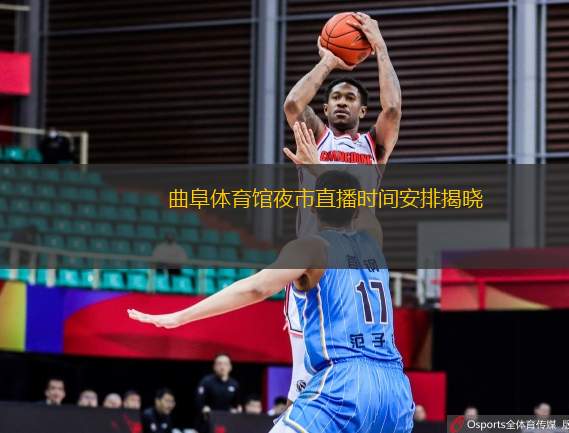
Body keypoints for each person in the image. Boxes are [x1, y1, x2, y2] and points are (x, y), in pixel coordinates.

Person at [128, 168, 414, 432]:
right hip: (396, 390)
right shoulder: (374, 242)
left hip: (346, 382)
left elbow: (256, 288)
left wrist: (179, 316)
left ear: (313, 207)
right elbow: (365, 212)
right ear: (356, 209)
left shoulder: (312, 248)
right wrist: (320, 170)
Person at [282, 11, 401, 405]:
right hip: (313, 265)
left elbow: (393, 110)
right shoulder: (315, 138)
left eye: (350, 98)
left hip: (356, 271)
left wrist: (380, 46)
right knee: (303, 385)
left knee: (351, 380)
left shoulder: (373, 146)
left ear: (362, 111)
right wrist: (328, 62)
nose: (341, 103)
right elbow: (293, 105)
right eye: (335, 97)